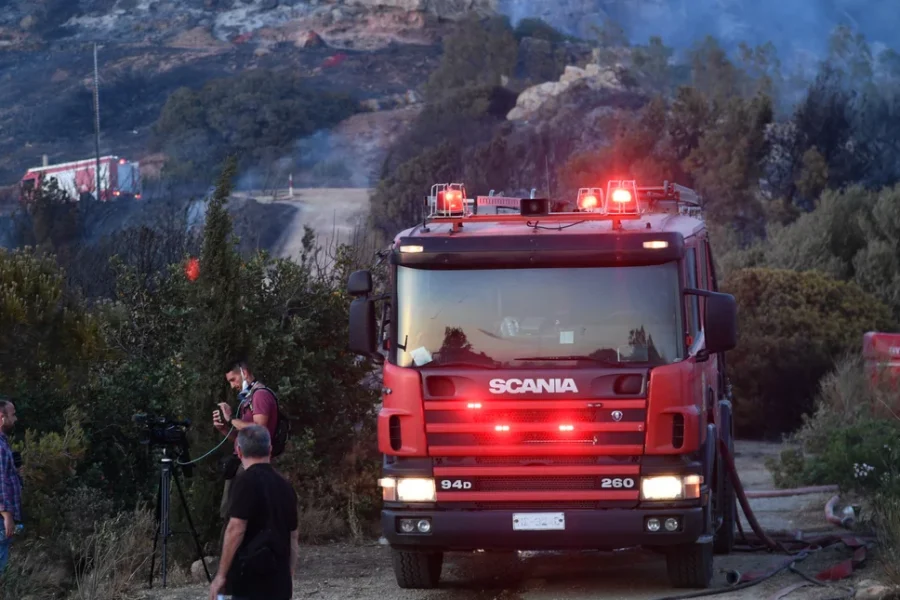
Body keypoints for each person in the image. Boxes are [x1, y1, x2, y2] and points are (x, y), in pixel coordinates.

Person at [209, 425, 298, 600]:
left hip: (250, 580)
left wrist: (221, 575)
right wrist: (289, 575)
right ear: (270, 449)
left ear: (239, 451)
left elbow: (236, 528)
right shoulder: (286, 486)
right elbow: (293, 537)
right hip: (279, 582)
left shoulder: (244, 482)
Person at [214, 359, 279, 520]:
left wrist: (230, 419)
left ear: (245, 373)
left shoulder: (260, 396)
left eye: (233, 379)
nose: (232, 385)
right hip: (241, 461)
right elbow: (242, 437)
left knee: (239, 515)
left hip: (254, 464)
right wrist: (223, 428)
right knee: (229, 512)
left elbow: (258, 430)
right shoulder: (248, 400)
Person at [0, 398, 21, 573]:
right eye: (12, 415)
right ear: (2, 417)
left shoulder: (3, 442)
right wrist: (7, 515)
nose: (15, 419)